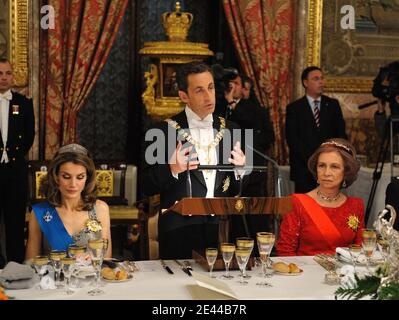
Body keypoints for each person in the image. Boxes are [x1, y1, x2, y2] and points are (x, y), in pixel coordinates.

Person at [142, 62, 246, 259]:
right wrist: (172, 168)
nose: (208, 96)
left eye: (211, 87)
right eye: (199, 90)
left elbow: (236, 190)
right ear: (183, 96)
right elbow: (146, 185)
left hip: (220, 230)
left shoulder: (232, 129)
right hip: (177, 231)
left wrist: (240, 171)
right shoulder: (161, 131)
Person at [276, 138, 365, 256]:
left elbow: (361, 250)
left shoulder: (356, 206)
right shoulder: (297, 203)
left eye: (334, 167)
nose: (326, 173)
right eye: (322, 166)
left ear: (346, 172)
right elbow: (285, 252)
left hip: (344, 272)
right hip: (306, 272)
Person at [25, 144, 112, 260]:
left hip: (90, 278)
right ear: (56, 176)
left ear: (87, 178)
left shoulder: (101, 209)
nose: (73, 184)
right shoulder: (39, 213)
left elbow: (106, 259)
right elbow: (31, 264)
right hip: (52, 278)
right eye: (66, 176)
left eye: (80, 177)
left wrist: (92, 261)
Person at [285, 66, 347, 193]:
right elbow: (293, 140)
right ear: (305, 83)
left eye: (322, 78)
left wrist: (329, 158)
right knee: (305, 209)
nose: (321, 82)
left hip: (330, 169)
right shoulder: (294, 108)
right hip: (304, 170)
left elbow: (340, 135)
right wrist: (314, 160)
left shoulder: (333, 105)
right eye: (316, 79)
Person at [0, 58, 35, 263]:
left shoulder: (23, 103)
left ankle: (15, 266)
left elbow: (29, 135)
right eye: (0, 73)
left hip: (15, 171)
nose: (4, 78)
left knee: (15, 223)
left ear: (13, 76)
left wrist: (14, 154)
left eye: (8, 73)